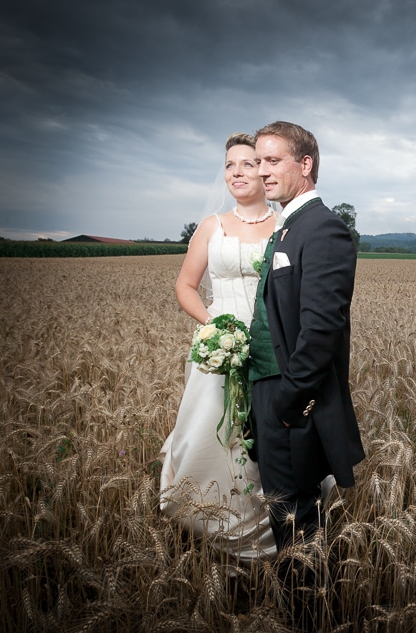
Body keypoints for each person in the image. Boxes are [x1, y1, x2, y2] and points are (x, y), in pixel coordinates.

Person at [159, 132, 279, 563]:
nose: (237, 172)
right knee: (213, 431)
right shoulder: (212, 226)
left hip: (271, 344)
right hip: (220, 345)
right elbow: (186, 286)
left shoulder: (285, 226)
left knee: (264, 436)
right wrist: (217, 329)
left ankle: (272, 522)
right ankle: (210, 518)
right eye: (230, 165)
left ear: (265, 171)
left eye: (247, 164)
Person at [247, 121, 365, 552]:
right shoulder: (289, 227)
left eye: (273, 161)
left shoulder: (323, 229)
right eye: (258, 161)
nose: (262, 171)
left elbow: (320, 330)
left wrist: (288, 404)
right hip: (270, 392)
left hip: (292, 402)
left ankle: (308, 612)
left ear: (306, 164)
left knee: (297, 519)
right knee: (284, 513)